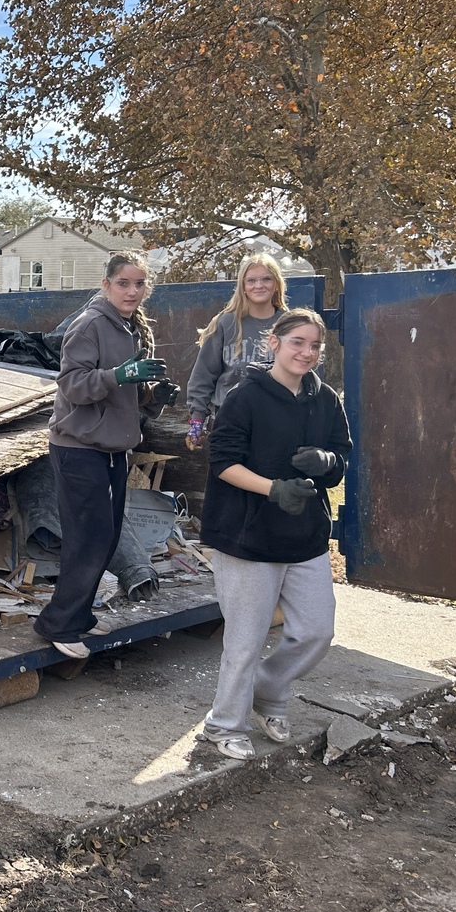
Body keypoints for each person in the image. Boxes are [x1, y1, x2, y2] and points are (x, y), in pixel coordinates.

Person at [197, 308, 352, 760]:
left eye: (315, 345)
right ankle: (225, 724)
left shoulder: (326, 399)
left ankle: (268, 688)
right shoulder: (245, 396)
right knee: (244, 641)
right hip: (248, 535)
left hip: (304, 536)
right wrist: (274, 489)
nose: (306, 352)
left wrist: (327, 462)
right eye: (297, 342)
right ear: (274, 343)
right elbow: (222, 462)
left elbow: (341, 457)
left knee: (316, 631)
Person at [32, 252, 179, 659]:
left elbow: (128, 398)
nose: (132, 291)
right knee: (88, 538)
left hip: (113, 448)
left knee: (107, 536)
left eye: (139, 284)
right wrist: (120, 374)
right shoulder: (90, 324)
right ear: (106, 284)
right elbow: (72, 386)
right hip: (78, 447)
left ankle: (78, 616)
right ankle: (58, 623)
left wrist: (154, 398)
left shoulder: (133, 328)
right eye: (123, 283)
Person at [185, 253, 289, 450]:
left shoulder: (289, 324)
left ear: (277, 283)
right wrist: (197, 421)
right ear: (242, 286)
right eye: (251, 280)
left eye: (266, 279)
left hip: (276, 420)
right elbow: (203, 376)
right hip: (230, 419)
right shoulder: (226, 323)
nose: (259, 285)